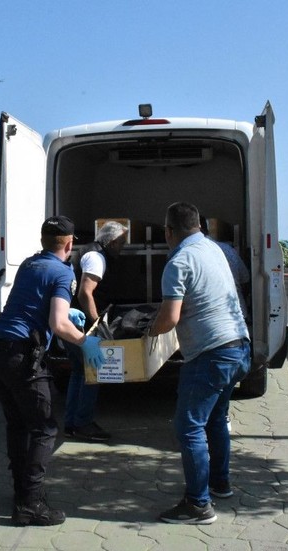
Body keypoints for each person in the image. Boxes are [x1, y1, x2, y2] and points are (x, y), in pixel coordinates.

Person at [0, 215, 105, 527]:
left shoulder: (29, 264)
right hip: (21, 354)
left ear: (42, 241)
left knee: (18, 424)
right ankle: (30, 504)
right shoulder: (62, 272)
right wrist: (85, 342)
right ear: (70, 243)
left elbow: (33, 303)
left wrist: (65, 309)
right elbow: (58, 324)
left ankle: (21, 492)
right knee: (44, 428)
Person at [148, 202, 251, 525]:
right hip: (239, 346)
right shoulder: (215, 250)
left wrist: (147, 332)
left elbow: (169, 318)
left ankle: (197, 505)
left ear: (168, 232)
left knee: (188, 427)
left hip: (210, 355)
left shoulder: (178, 260)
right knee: (216, 419)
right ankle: (220, 483)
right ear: (199, 226)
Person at [63, 220, 128, 442]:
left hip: (73, 323)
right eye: (121, 242)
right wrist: (97, 323)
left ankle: (71, 423)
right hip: (82, 326)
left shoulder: (94, 254)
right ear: (109, 242)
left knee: (79, 372)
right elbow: (85, 294)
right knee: (93, 373)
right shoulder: (96, 258)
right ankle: (83, 423)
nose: (123, 246)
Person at [199, 216, 250, 321]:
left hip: (213, 321)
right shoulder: (228, 249)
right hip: (237, 314)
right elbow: (245, 280)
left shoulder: (191, 254)